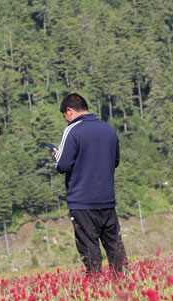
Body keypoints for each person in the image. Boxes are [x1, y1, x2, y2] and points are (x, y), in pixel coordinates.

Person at [53, 93, 127, 276]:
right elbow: (115, 161)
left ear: (69, 111)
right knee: (114, 246)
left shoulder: (73, 130)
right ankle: (124, 283)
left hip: (82, 201)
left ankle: (96, 290)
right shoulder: (108, 129)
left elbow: (62, 165)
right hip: (107, 199)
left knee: (89, 249)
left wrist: (57, 155)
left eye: (65, 116)